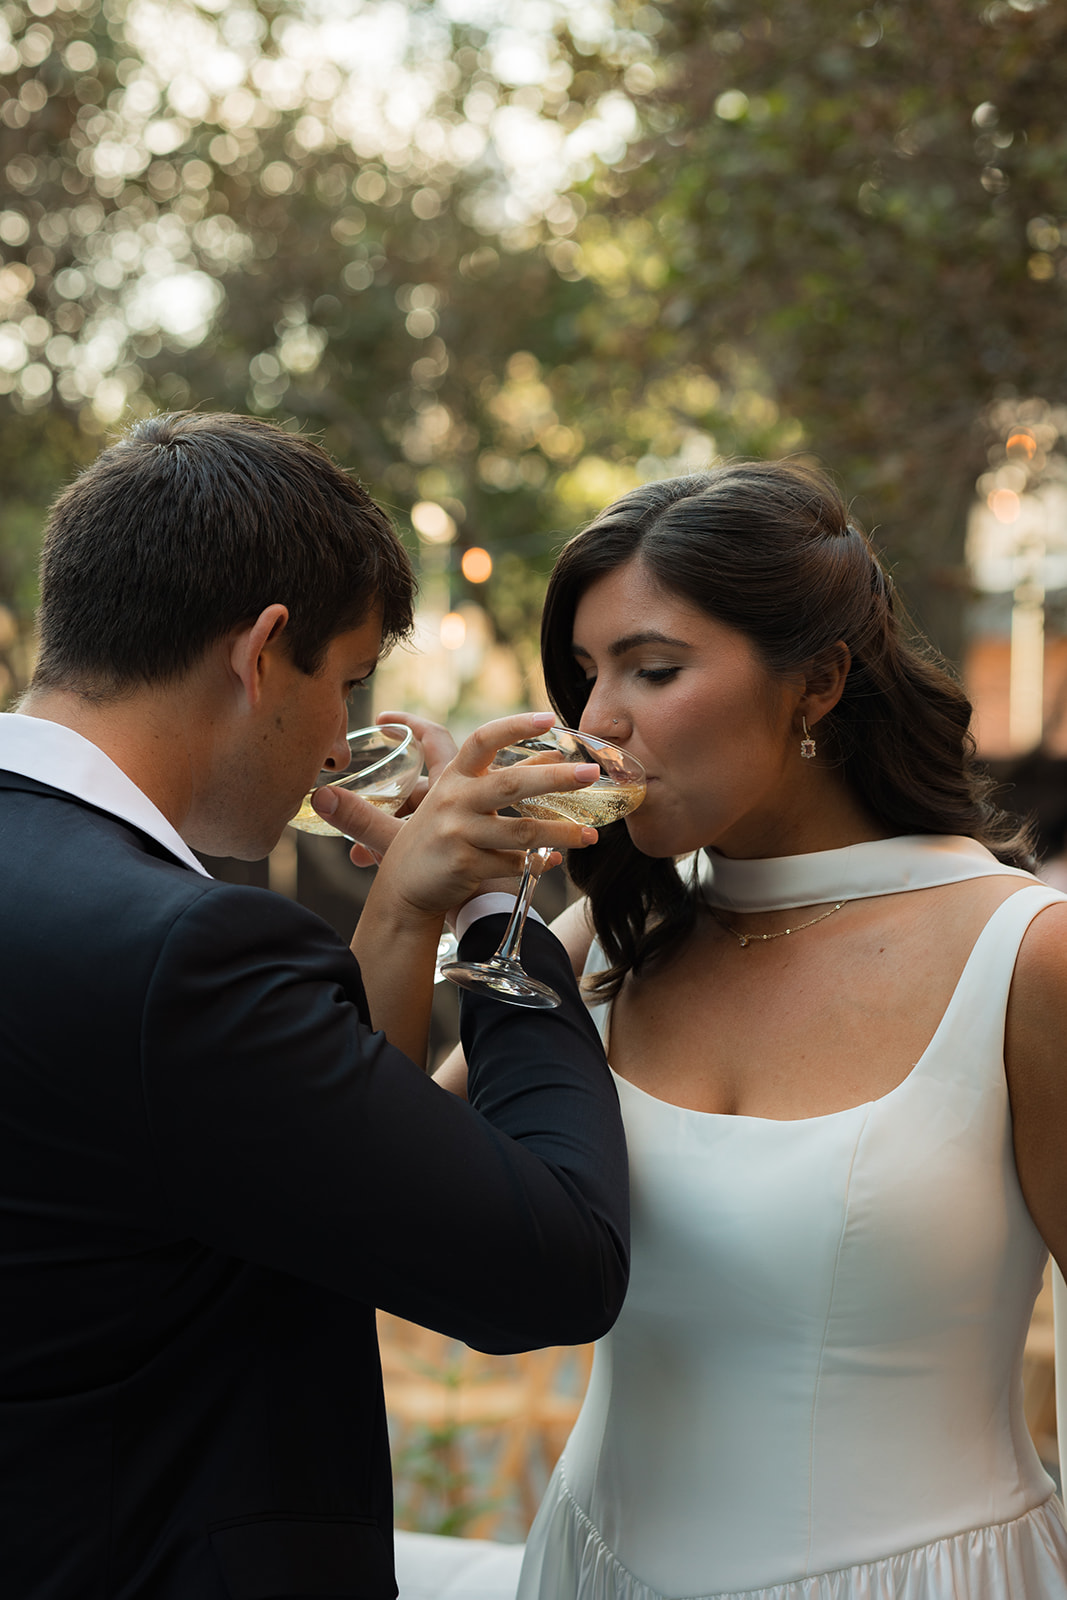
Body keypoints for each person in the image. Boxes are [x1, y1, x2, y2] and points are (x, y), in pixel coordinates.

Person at [0, 411, 630, 1600]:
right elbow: (556, 1265)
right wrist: (499, 907)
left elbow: (292, 1173)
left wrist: (400, 913)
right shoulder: (180, 956)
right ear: (259, 653)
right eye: (343, 684)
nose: (339, 741)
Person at [435, 461, 1067, 1599]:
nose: (597, 723)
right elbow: (376, 1186)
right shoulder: (598, 944)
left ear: (816, 682)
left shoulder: (1023, 955)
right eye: (585, 675)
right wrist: (414, 911)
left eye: (653, 668)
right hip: (586, 1569)